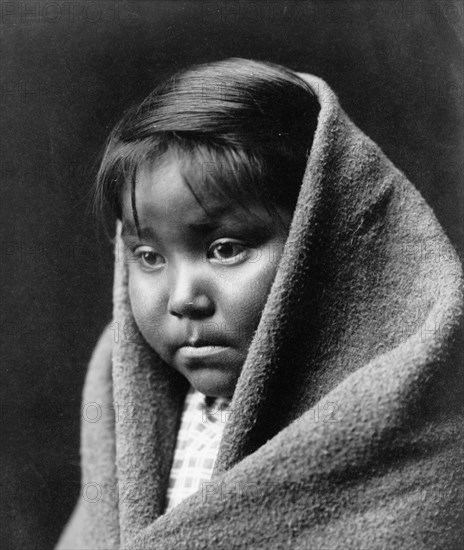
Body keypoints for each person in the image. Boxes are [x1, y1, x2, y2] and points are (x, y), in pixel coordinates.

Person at [56, 59, 463, 549]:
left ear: (323, 245)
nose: (184, 299)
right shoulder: (123, 401)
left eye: (226, 249)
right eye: (148, 256)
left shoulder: (407, 434)